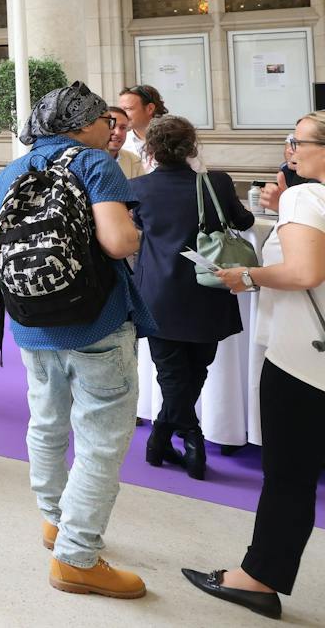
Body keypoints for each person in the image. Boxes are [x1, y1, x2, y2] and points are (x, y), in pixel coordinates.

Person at [0, 81, 150, 599]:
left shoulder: (13, 168)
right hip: (95, 320)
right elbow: (118, 241)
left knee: (47, 421)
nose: (113, 127)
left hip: (31, 322)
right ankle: (77, 557)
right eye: (106, 118)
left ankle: (55, 521)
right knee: (101, 436)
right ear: (79, 123)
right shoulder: (95, 163)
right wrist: (141, 233)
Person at [182, 112, 325, 620]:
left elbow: (305, 270)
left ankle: (257, 578)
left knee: (289, 474)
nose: (289, 148)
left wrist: (248, 275)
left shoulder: (307, 197)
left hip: (305, 358)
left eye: (296, 140)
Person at [129, 116, 250, 480]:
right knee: (197, 368)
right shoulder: (216, 182)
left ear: (150, 149)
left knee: (173, 373)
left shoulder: (137, 188)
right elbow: (242, 222)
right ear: (193, 147)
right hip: (208, 290)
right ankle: (187, 437)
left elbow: (136, 232)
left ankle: (167, 438)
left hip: (158, 294)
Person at [104, 107, 145, 180]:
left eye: (123, 128)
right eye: (112, 125)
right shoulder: (85, 159)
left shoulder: (134, 161)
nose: (117, 133)